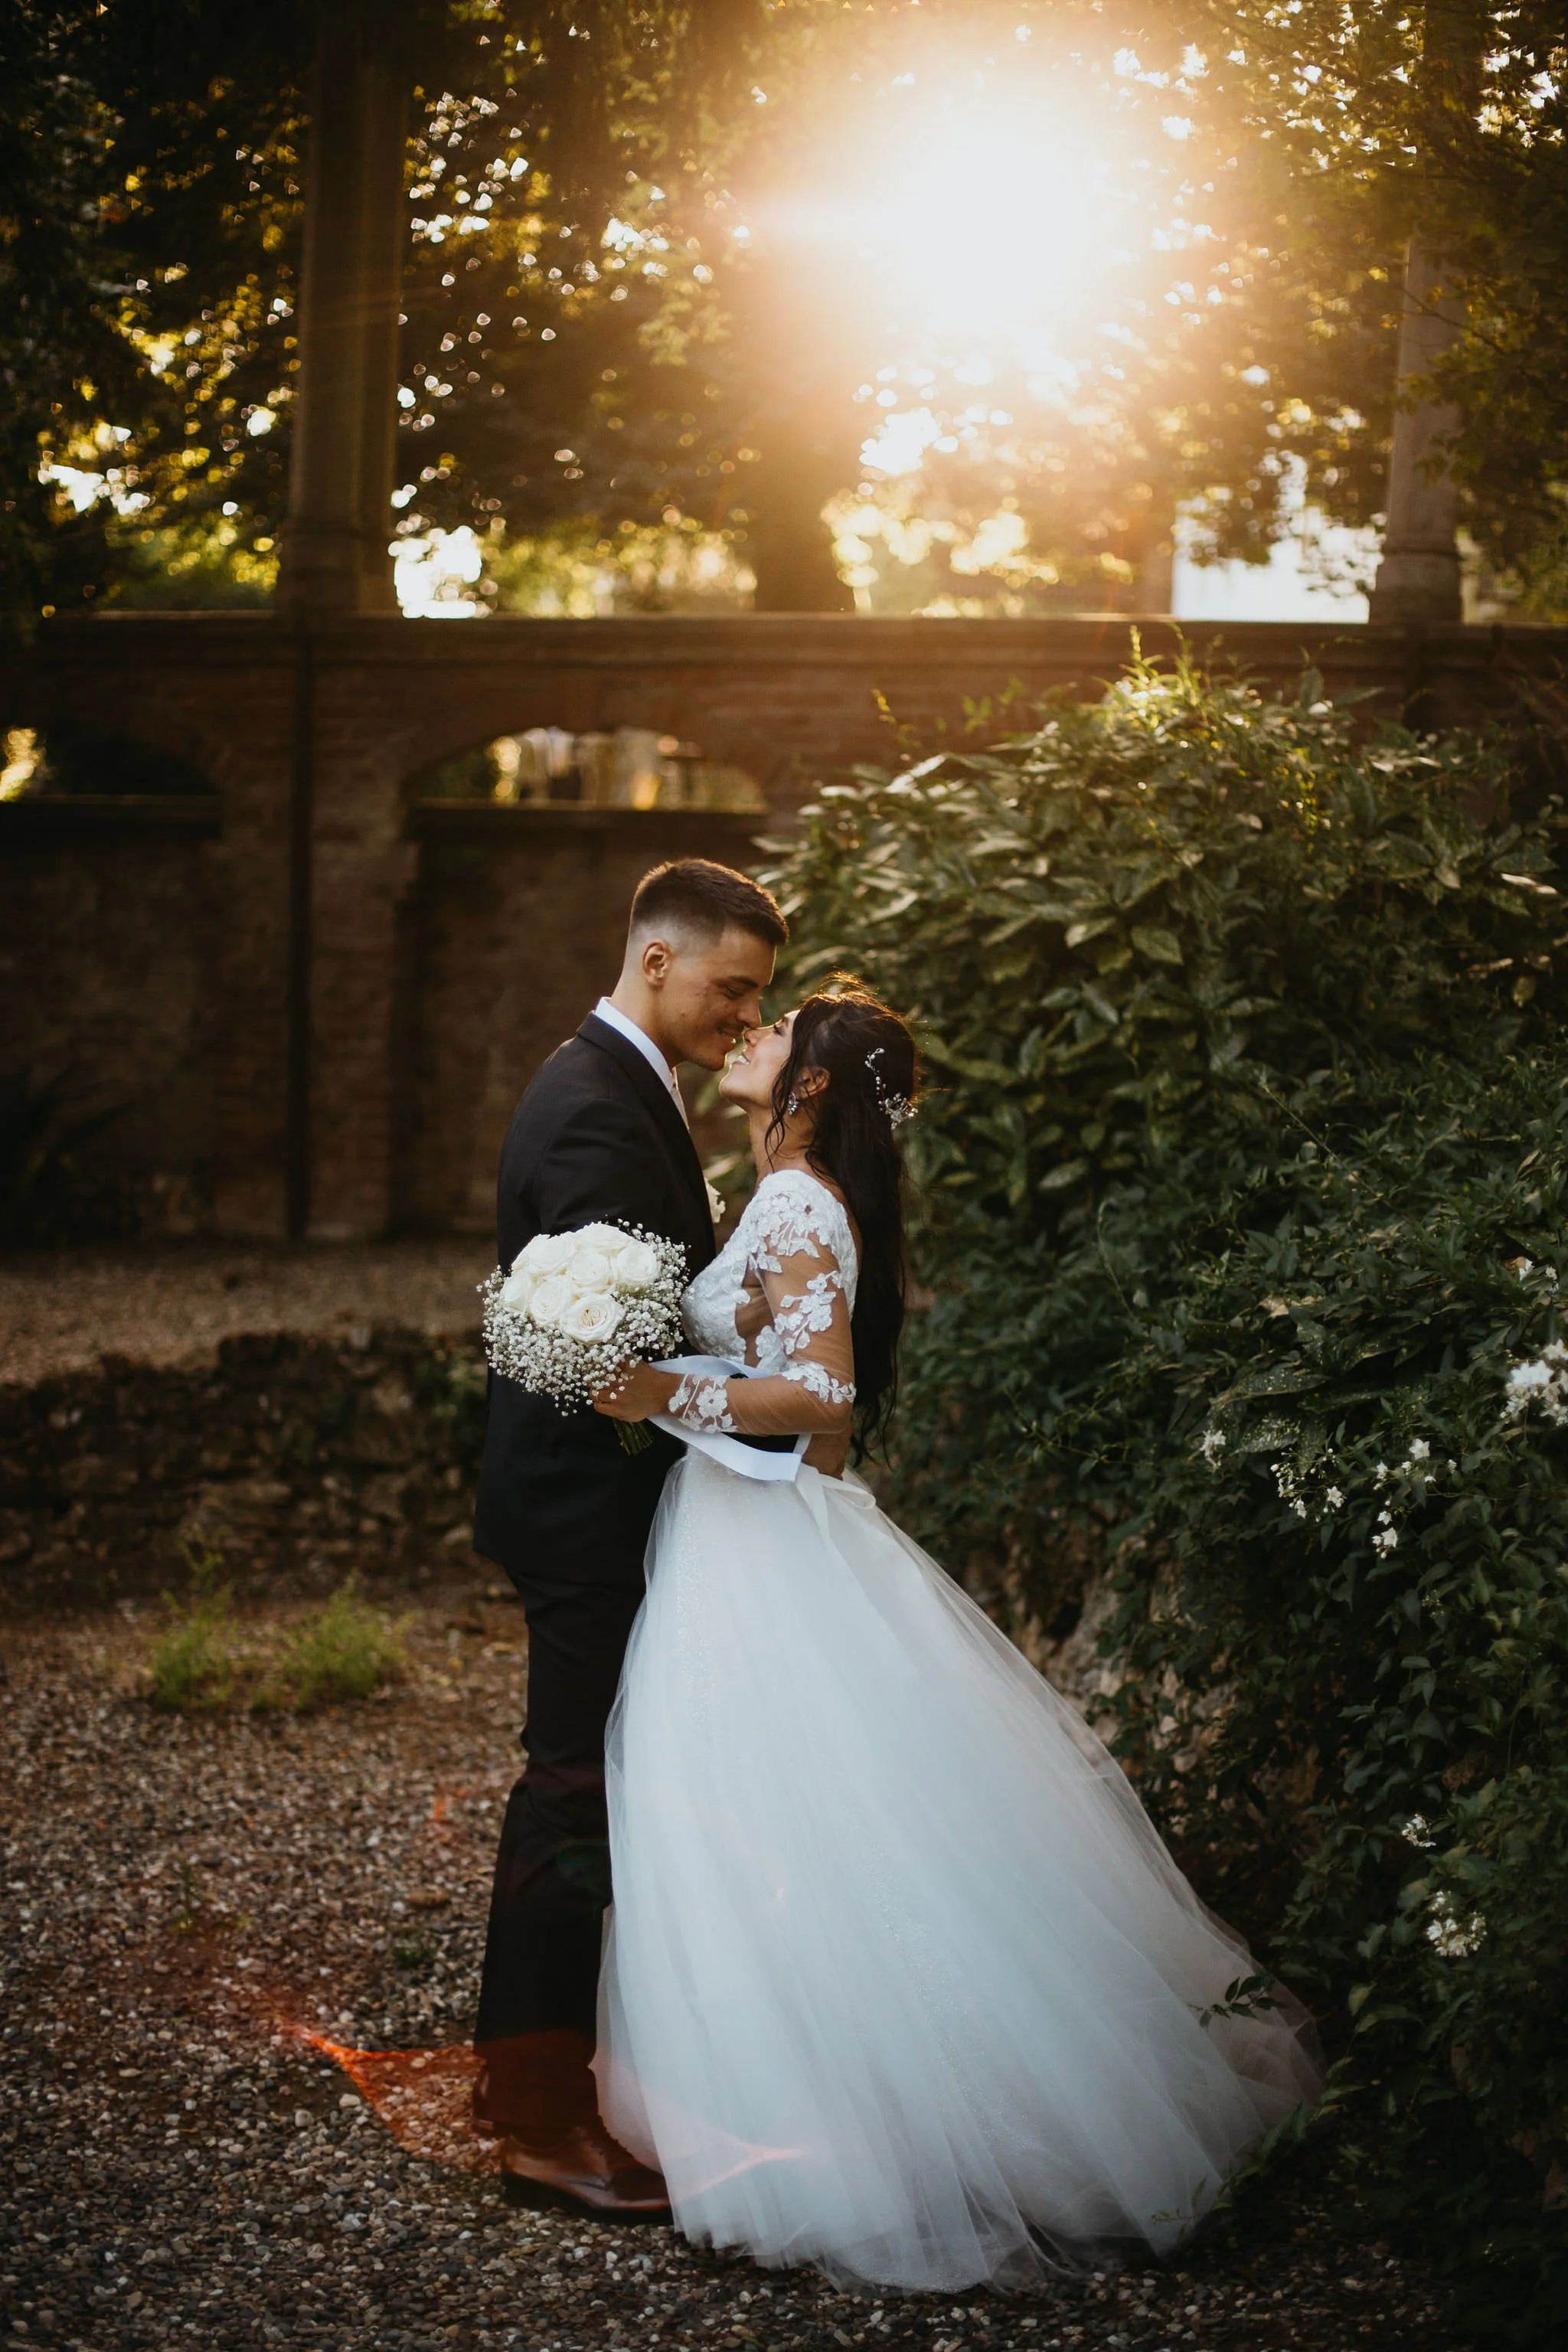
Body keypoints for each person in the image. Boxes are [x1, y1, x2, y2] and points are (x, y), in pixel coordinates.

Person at [590, 981, 1325, 2292]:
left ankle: (843, 2122)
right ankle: (809, 2087)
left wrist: (658, 1387)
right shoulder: (801, 1193)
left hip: (757, 1550)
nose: (751, 1037)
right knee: (802, 1824)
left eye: (776, 1032)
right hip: (745, 1528)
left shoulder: (798, 1197)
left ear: (811, 1083)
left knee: (774, 1817)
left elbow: (827, 1399)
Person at [470, 857, 788, 2217]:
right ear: (656, 960)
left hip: (599, 1500)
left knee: (597, 1784)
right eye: (733, 989)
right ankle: (540, 2119)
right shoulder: (597, 1110)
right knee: (573, 1793)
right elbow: (596, 1350)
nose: (742, 1017)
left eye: (759, 997)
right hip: (584, 1511)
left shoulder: (620, 1085)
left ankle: (559, 2075)